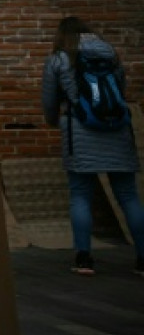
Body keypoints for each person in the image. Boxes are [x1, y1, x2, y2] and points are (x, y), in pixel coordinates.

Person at [40, 16, 144, 276]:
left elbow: (49, 97)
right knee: (129, 197)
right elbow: (121, 90)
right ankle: (142, 259)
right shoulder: (111, 55)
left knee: (80, 195)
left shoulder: (60, 58)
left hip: (80, 131)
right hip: (116, 131)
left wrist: (54, 120)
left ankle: (84, 258)